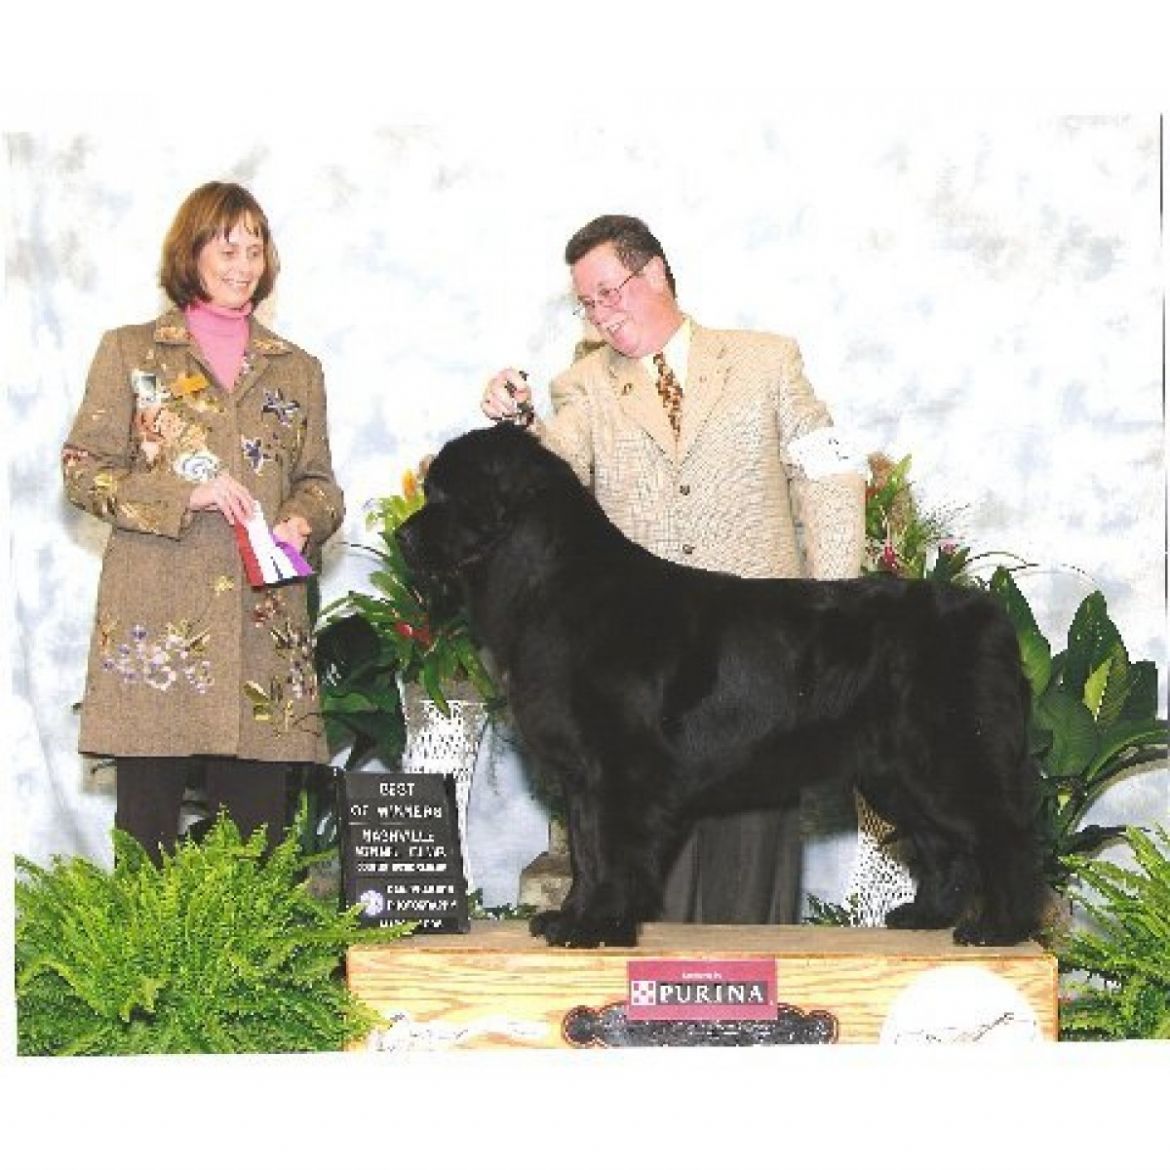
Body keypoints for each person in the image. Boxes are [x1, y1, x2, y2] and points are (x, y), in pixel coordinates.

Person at [481, 213, 865, 924]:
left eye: (609, 292)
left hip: (755, 665)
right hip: (650, 681)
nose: (601, 315)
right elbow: (555, 477)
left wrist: (837, 604)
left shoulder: (768, 361)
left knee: (749, 894)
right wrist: (522, 426)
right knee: (647, 887)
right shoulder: (581, 386)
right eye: (587, 304)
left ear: (654, 271)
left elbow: (827, 475)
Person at [62, 181, 344, 862]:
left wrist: (301, 522)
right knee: (148, 843)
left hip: (261, 626)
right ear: (190, 253)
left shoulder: (297, 369)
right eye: (227, 248)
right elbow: (83, 470)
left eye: (255, 249)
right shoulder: (131, 352)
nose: (244, 265)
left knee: (254, 850)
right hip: (158, 626)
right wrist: (182, 496)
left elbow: (320, 484)